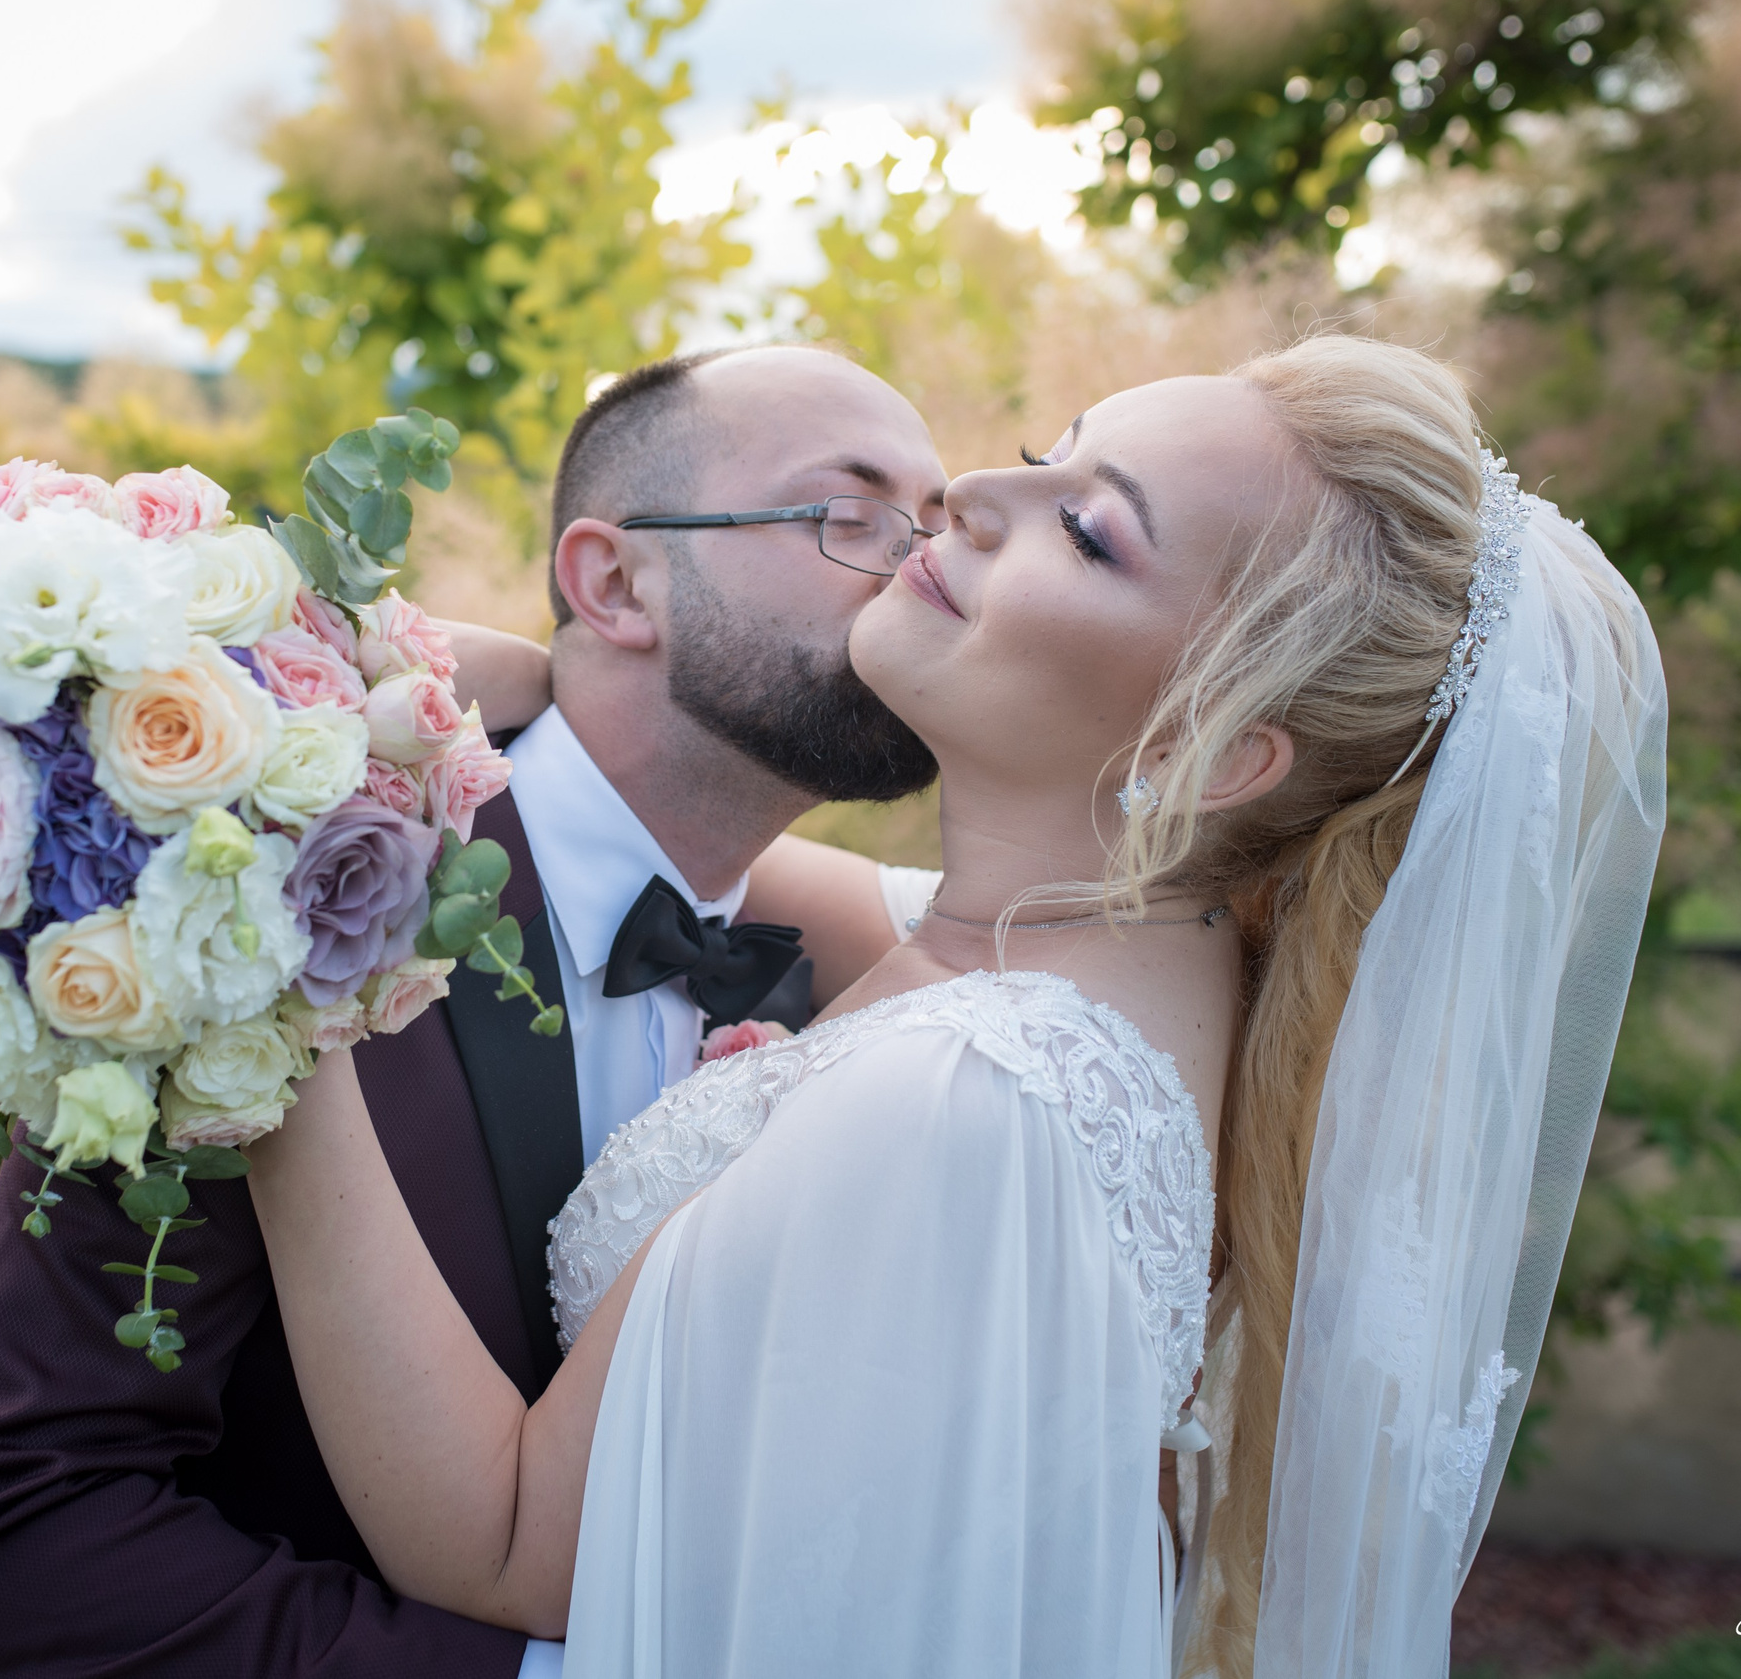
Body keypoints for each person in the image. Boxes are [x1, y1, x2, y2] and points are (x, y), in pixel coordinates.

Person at [237, 334, 1669, 1677]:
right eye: (1048, 451)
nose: (971, 496)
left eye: (1091, 528)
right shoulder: (1140, 965)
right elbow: (654, 840)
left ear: (1214, 746)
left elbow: (501, 1544)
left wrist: (260, 999)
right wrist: (478, 700)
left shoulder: (971, 1089)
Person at [0, 346, 949, 1679]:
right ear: (614, 580)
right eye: (846, 519)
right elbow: (19, 1529)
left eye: (936, 521)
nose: (917, 564)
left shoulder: (847, 973)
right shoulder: (267, 902)